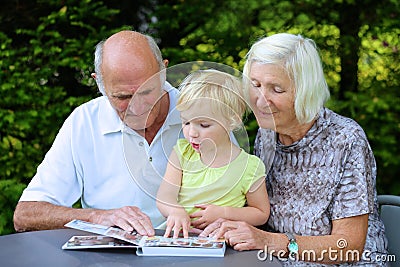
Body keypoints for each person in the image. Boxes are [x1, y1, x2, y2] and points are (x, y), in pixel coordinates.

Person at [200, 33, 388, 266]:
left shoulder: (345, 139)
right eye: (255, 85)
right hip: (275, 260)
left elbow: (348, 246)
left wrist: (269, 241)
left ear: (305, 91)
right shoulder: (267, 134)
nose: (260, 100)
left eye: (276, 89)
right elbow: (258, 211)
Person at [13, 31, 183, 236]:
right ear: (99, 83)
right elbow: (25, 215)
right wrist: (97, 217)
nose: (137, 107)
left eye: (147, 92)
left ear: (163, 71)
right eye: (123, 97)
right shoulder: (84, 121)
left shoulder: (202, 113)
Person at [156, 69, 270, 238]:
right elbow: (165, 195)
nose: (192, 133)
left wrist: (224, 212)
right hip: (180, 237)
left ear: (232, 120)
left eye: (203, 125)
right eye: (186, 122)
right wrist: (175, 211)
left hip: (223, 242)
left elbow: (260, 213)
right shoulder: (182, 153)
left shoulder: (249, 167)